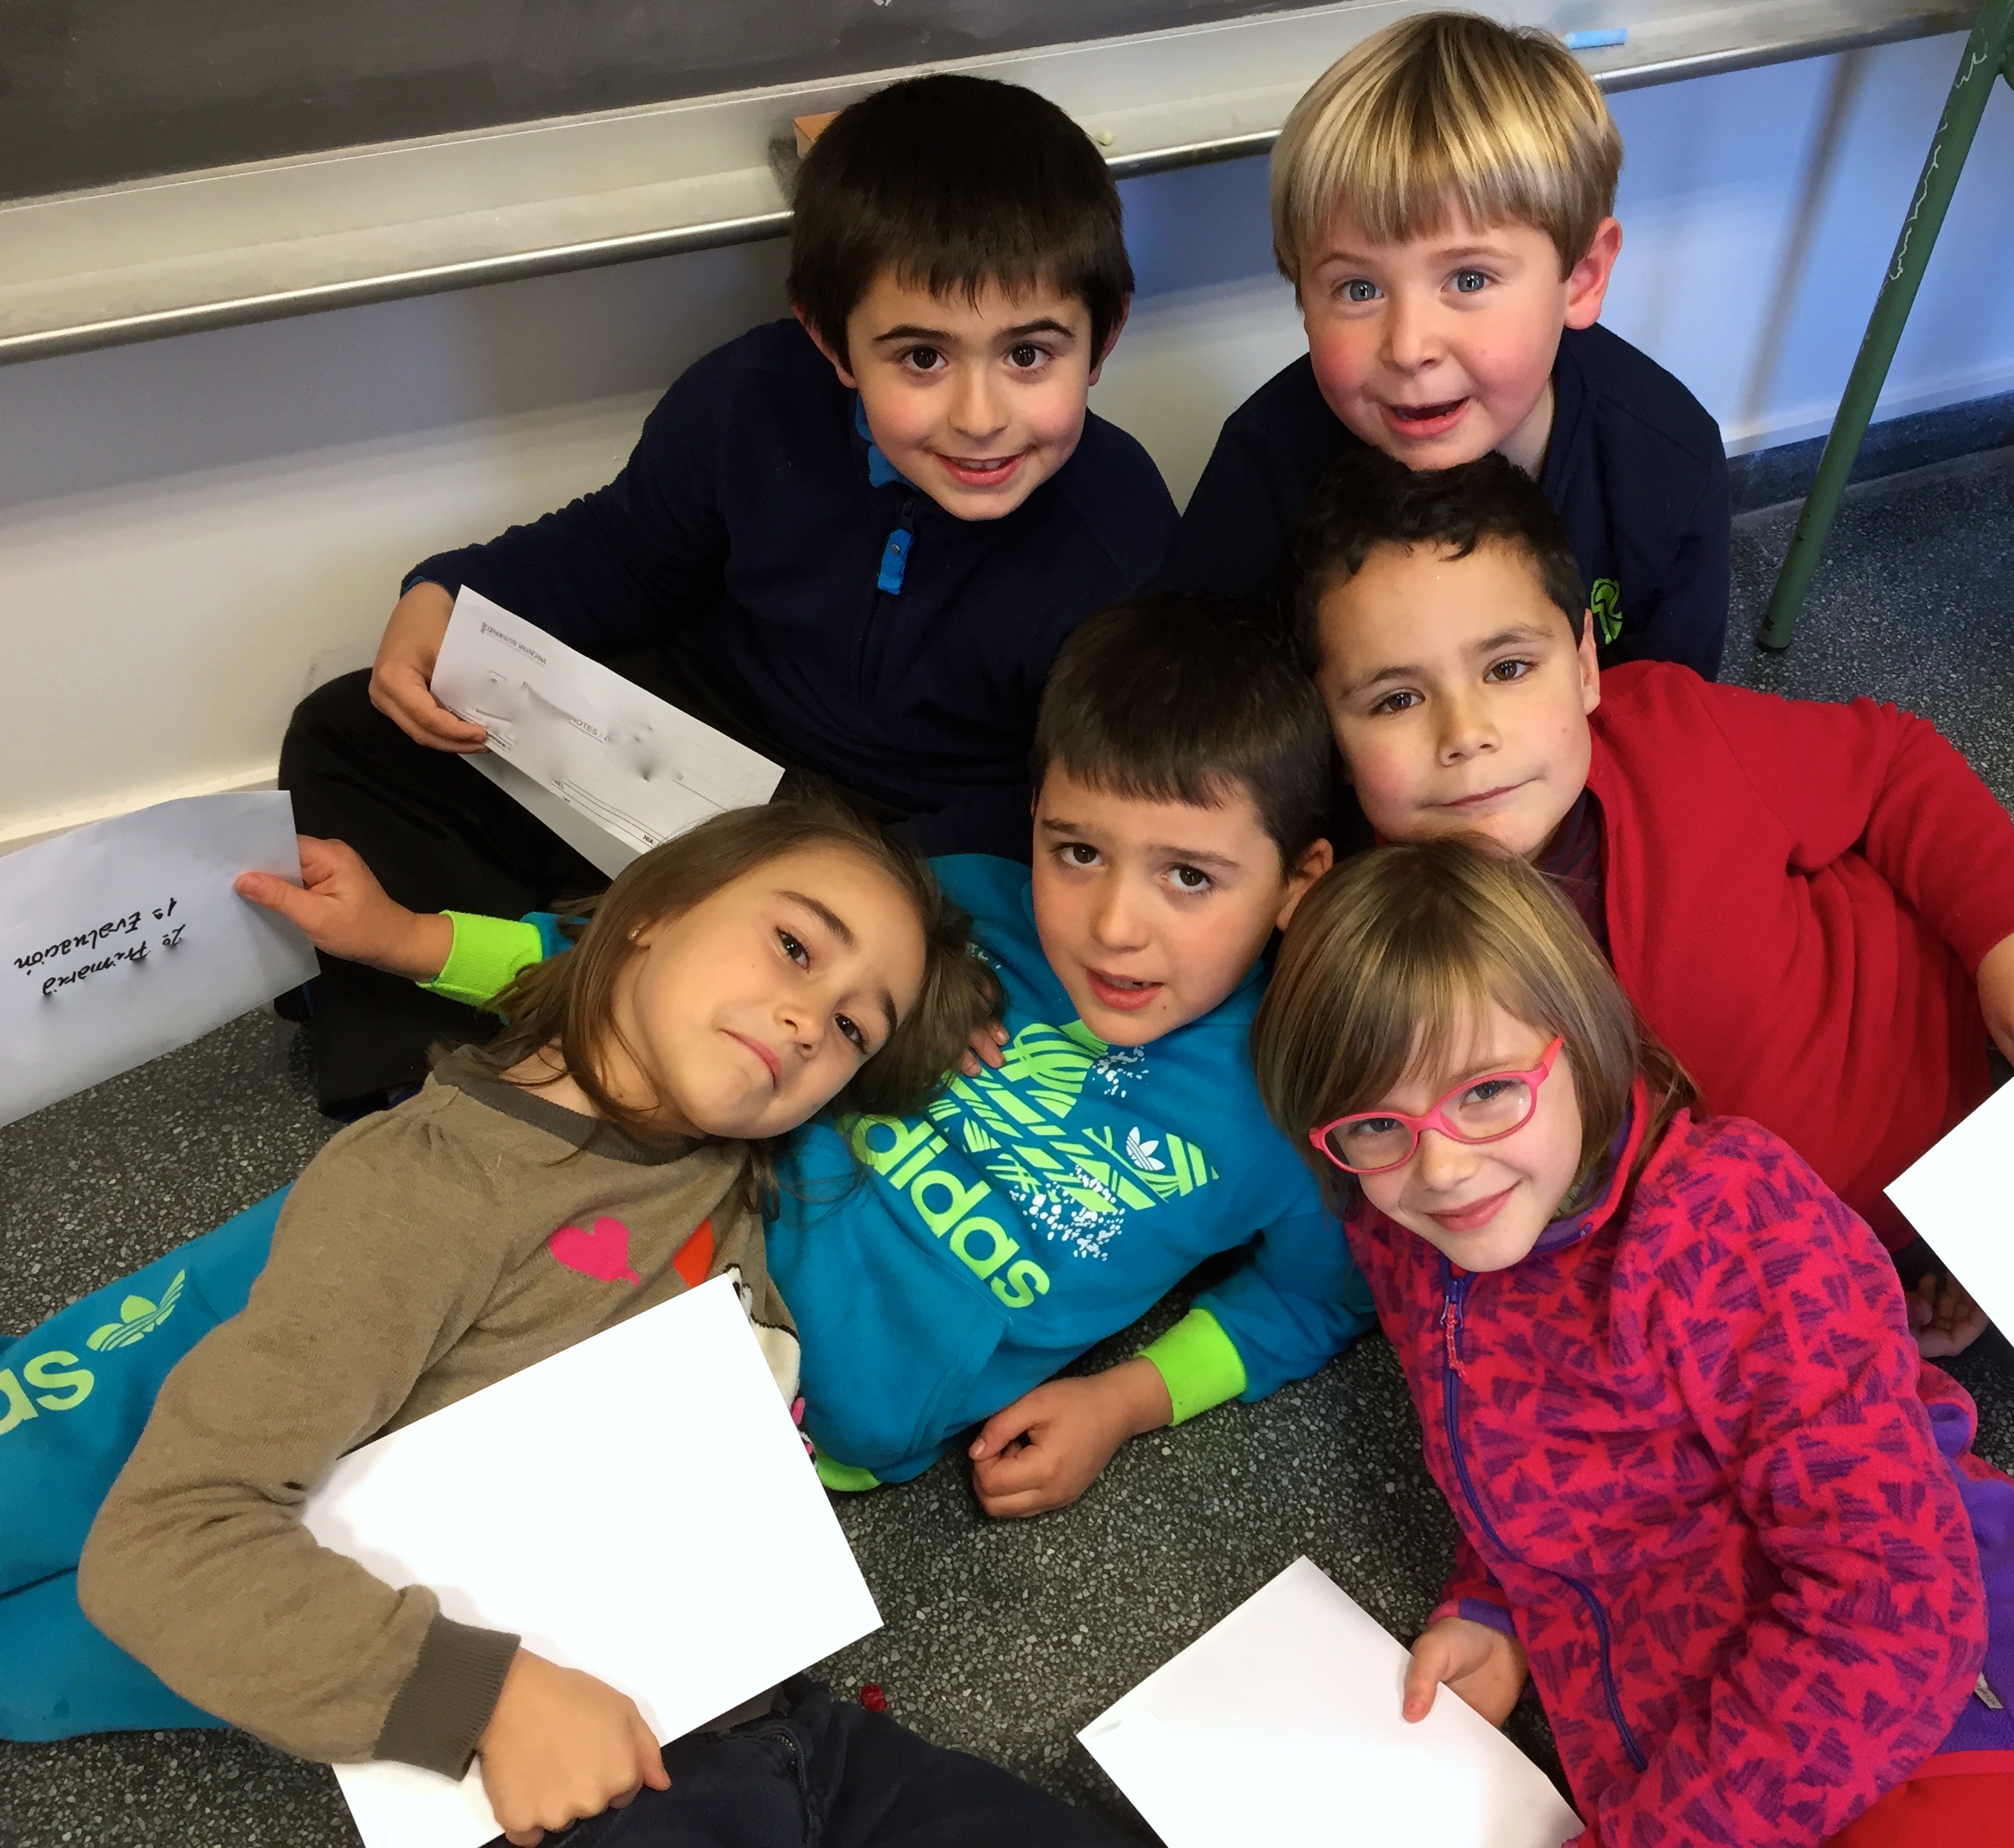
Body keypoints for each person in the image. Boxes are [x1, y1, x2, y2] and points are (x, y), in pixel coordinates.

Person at [5, 602, 1370, 1677]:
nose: (1116, 924)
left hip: (750, 1442)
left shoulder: (1294, 1097)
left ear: (1298, 881)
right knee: (215, 1350)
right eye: (1077, 851)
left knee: (324, 1576)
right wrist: (416, 941)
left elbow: (1316, 1296)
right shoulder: (953, 908)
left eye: (1189, 876)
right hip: (603, 1216)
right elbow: (672, 977)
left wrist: (1128, 1400)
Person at [1280, 446, 2014, 1535]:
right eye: (1395, 699)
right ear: (1334, 732)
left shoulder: (1676, 733)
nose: (1467, 734)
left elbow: (1896, 770)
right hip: (1959, 1237)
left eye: (1509, 666)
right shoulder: (1387, 963)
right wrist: (1843, 1297)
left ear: (1586, 664)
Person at [68, 802, 1136, 1848]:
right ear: (650, 915)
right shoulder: (428, 1191)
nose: (813, 1022)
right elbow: (158, 1548)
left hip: (805, 1732)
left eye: (856, 1028)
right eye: (794, 946)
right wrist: (489, 1702)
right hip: (589, 1788)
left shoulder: (737, 1154)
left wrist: (942, 1026)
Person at [277, 73, 1178, 1113]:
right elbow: (620, 553)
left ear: (1103, 338)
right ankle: (422, 1081)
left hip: (901, 845)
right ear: (832, 342)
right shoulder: (749, 398)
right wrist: (444, 593)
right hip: (697, 745)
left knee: (900, 1005)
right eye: (922, 357)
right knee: (352, 730)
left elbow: (1084, 800)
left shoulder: (1119, 539)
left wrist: (908, 895)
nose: (981, 417)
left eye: (1027, 354)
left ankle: (621, 1016)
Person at [1251, 840, 2014, 1848]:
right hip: (1728, 1755)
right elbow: (1526, 1436)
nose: (1440, 1167)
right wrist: (1500, 1603)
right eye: (1375, 1125)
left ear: (1582, 1043)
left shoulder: (1730, 1220)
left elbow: (1893, 1603)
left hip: (1969, 1738)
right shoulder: (1401, 1226)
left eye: (1485, 1092)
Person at [1155, 11, 1729, 680]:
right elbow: (1192, 703)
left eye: (1469, 279)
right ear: (1303, 298)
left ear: (1582, 277)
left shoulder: (1666, 463)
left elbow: (1668, 716)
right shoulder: (1266, 466)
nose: (1408, 348)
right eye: (1359, 289)